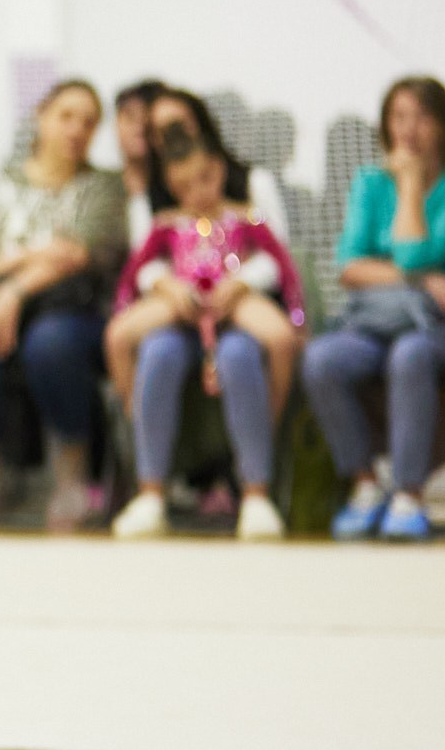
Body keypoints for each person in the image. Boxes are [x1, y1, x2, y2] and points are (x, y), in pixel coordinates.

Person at [0, 79, 129, 532]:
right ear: (40, 117)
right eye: (66, 116)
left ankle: (72, 480)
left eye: (88, 122)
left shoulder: (103, 187)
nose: (77, 129)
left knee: (51, 344)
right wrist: (36, 256)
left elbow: (79, 253)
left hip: (73, 311)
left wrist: (12, 290)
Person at [107, 124, 306, 543]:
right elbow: (132, 277)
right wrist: (164, 285)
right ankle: (149, 482)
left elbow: (283, 266)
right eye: (183, 185)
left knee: (262, 347)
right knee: (139, 345)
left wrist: (248, 287)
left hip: (236, 308)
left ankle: (256, 487)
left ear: (218, 170)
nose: (196, 192)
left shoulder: (246, 217)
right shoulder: (165, 225)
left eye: (203, 179)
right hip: (179, 309)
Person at [302, 74, 445, 543]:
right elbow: (349, 266)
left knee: (410, 355)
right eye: (398, 116)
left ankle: (409, 493)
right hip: (376, 320)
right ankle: (364, 484)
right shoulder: (369, 181)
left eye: (422, 116)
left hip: (438, 327)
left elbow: (409, 251)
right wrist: (422, 280)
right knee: (322, 358)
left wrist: (410, 186)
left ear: (443, 124)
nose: (409, 128)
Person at [132, 86, 289, 246]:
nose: (174, 137)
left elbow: (277, 247)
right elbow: (144, 258)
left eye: (178, 125)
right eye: (161, 131)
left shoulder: (255, 182)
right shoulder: (148, 205)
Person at [114, 80, 165, 218]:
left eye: (147, 121)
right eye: (131, 118)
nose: (139, 129)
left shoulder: (177, 189)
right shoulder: (100, 188)